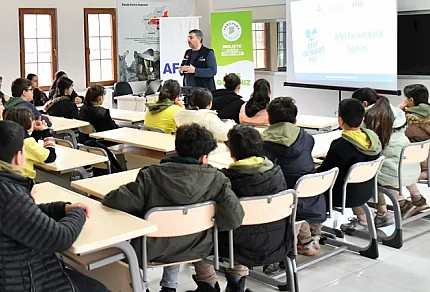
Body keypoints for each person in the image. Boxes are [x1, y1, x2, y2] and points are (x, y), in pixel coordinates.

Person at [0, 120, 108, 292]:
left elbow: (25, 215)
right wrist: (78, 212)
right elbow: (61, 238)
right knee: (98, 288)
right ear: (19, 157)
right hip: (26, 282)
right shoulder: (8, 196)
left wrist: (62, 208)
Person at [103, 124, 244, 292]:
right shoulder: (217, 179)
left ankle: (140, 286)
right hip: (199, 247)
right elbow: (234, 219)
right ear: (203, 158)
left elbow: (114, 200)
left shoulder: (150, 176)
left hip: (153, 250)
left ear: (176, 149)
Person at [220, 125, 289, 292]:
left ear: (231, 152)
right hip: (278, 240)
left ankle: (222, 283)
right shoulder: (277, 173)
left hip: (238, 246)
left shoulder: (227, 180)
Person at [262, 97, 324, 256]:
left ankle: (298, 242)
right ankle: (307, 241)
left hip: (281, 199)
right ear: (295, 120)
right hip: (311, 197)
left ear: (269, 120)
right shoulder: (307, 138)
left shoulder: (263, 142)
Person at [351, 88, 427, 219]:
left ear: (364, 104)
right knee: (395, 163)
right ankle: (417, 199)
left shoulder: (370, 117)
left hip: (392, 172)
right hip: (412, 167)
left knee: (368, 171)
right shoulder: (397, 111)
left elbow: (362, 140)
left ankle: (384, 212)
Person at [317, 99, 382, 220]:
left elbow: (325, 173)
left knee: (308, 186)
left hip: (342, 195)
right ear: (362, 119)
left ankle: (313, 229)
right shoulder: (374, 140)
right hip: (366, 190)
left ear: (340, 120)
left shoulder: (340, 145)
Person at [3, 107, 56, 180]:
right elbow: (50, 157)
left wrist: (36, 131)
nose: (34, 121)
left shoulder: (6, 137)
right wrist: (47, 132)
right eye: (32, 120)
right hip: (24, 180)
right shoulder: (27, 142)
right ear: (26, 123)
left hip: (9, 179)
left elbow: (32, 146)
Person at [174, 88, 233, 153]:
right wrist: (229, 124)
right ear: (210, 104)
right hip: (206, 151)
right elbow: (224, 135)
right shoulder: (209, 117)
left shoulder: (180, 115)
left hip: (185, 149)